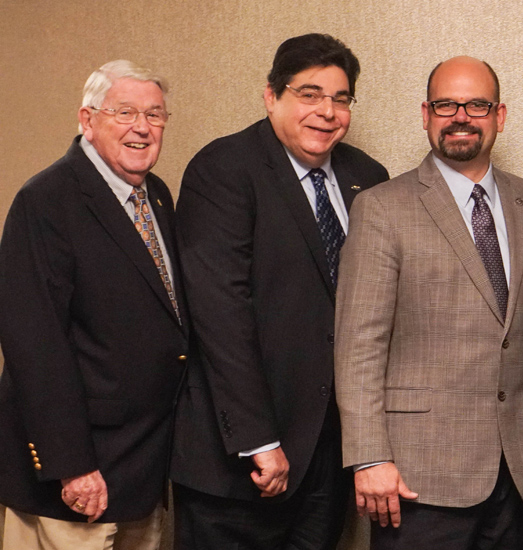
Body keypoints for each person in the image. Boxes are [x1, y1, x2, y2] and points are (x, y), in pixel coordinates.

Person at [170, 33, 389, 549]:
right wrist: (258, 440)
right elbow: (220, 315)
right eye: (309, 94)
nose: (327, 112)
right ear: (272, 96)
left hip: (329, 457)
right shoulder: (223, 169)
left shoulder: (367, 178)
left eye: (340, 98)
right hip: (242, 461)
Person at [334, 56, 523, 550]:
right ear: (426, 114)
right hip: (416, 476)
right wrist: (369, 457)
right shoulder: (382, 207)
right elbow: (358, 345)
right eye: (446, 104)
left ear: (500, 115)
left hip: (518, 475)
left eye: (476, 104)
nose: (461, 116)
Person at [0, 60, 185, 549]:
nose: (142, 128)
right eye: (124, 112)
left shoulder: (157, 195)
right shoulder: (46, 200)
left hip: (141, 465)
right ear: (87, 119)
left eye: (155, 115)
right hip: (78, 474)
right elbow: (33, 345)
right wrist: (72, 465)